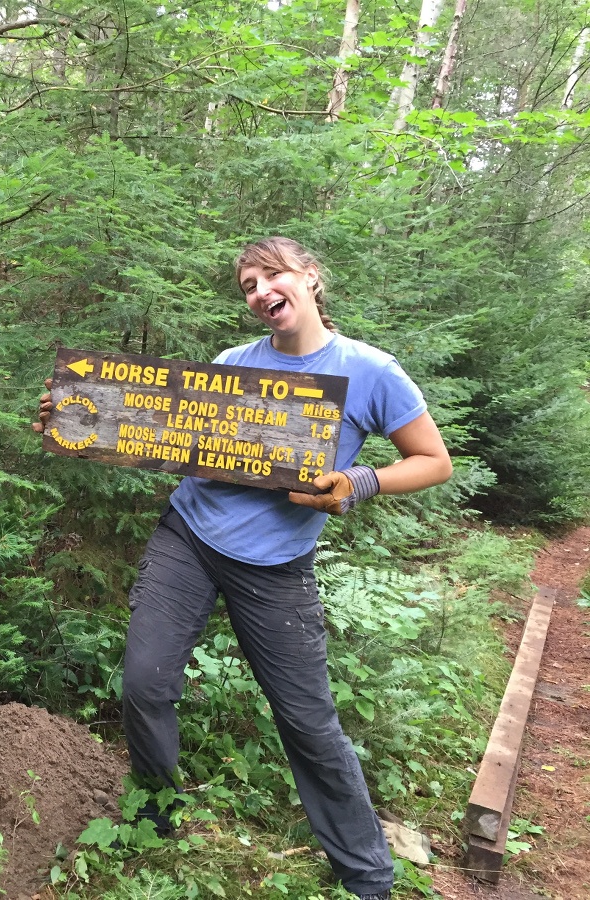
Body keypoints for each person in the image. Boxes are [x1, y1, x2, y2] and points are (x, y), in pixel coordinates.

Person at [35, 236, 452, 900]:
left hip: (277, 566)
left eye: (271, 276)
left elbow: (433, 459)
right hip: (190, 538)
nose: (260, 293)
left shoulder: (370, 370)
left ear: (311, 278)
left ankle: (367, 877)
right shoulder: (234, 364)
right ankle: (157, 812)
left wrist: (357, 482)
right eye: (248, 286)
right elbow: (165, 428)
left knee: (307, 719)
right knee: (144, 684)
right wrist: (78, 413)